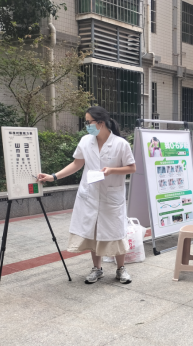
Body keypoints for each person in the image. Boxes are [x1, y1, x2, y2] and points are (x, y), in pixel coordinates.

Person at [37, 106, 136, 284]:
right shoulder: (85, 141)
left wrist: (111, 170)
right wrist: (53, 176)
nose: (87, 126)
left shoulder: (120, 144)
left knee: (116, 232)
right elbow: (76, 164)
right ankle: (97, 269)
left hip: (111, 197)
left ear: (101, 123)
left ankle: (121, 269)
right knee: (93, 231)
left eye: (88, 122)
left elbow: (132, 168)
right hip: (90, 195)